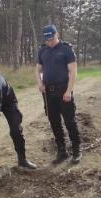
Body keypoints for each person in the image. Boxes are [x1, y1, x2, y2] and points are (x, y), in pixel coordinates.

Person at [35, 24, 82, 164]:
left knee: (69, 121)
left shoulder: (66, 49)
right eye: (47, 39)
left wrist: (68, 90)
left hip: (63, 91)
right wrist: (39, 83)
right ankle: (61, 150)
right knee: (54, 122)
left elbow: (73, 71)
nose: (49, 41)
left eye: (52, 38)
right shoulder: (42, 50)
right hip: (48, 92)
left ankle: (76, 149)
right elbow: (37, 69)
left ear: (57, 35)